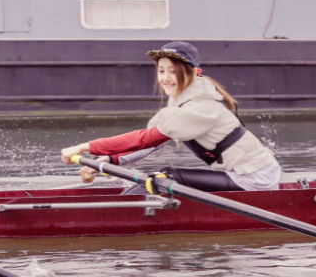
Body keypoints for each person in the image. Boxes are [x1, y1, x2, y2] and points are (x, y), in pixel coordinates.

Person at [60, 41, 281, 192]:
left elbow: (144, 139)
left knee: (167, 176)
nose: (166, 78)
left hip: (254, 178)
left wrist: (83, 148)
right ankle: (123, 210)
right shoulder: (181, 99)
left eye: (173, 71)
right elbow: (150, 143)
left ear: (192, 72)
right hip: (239, 173)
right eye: (161, 70)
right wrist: (106, 161)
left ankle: (117, 217)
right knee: (164, 177)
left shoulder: (201, 107)